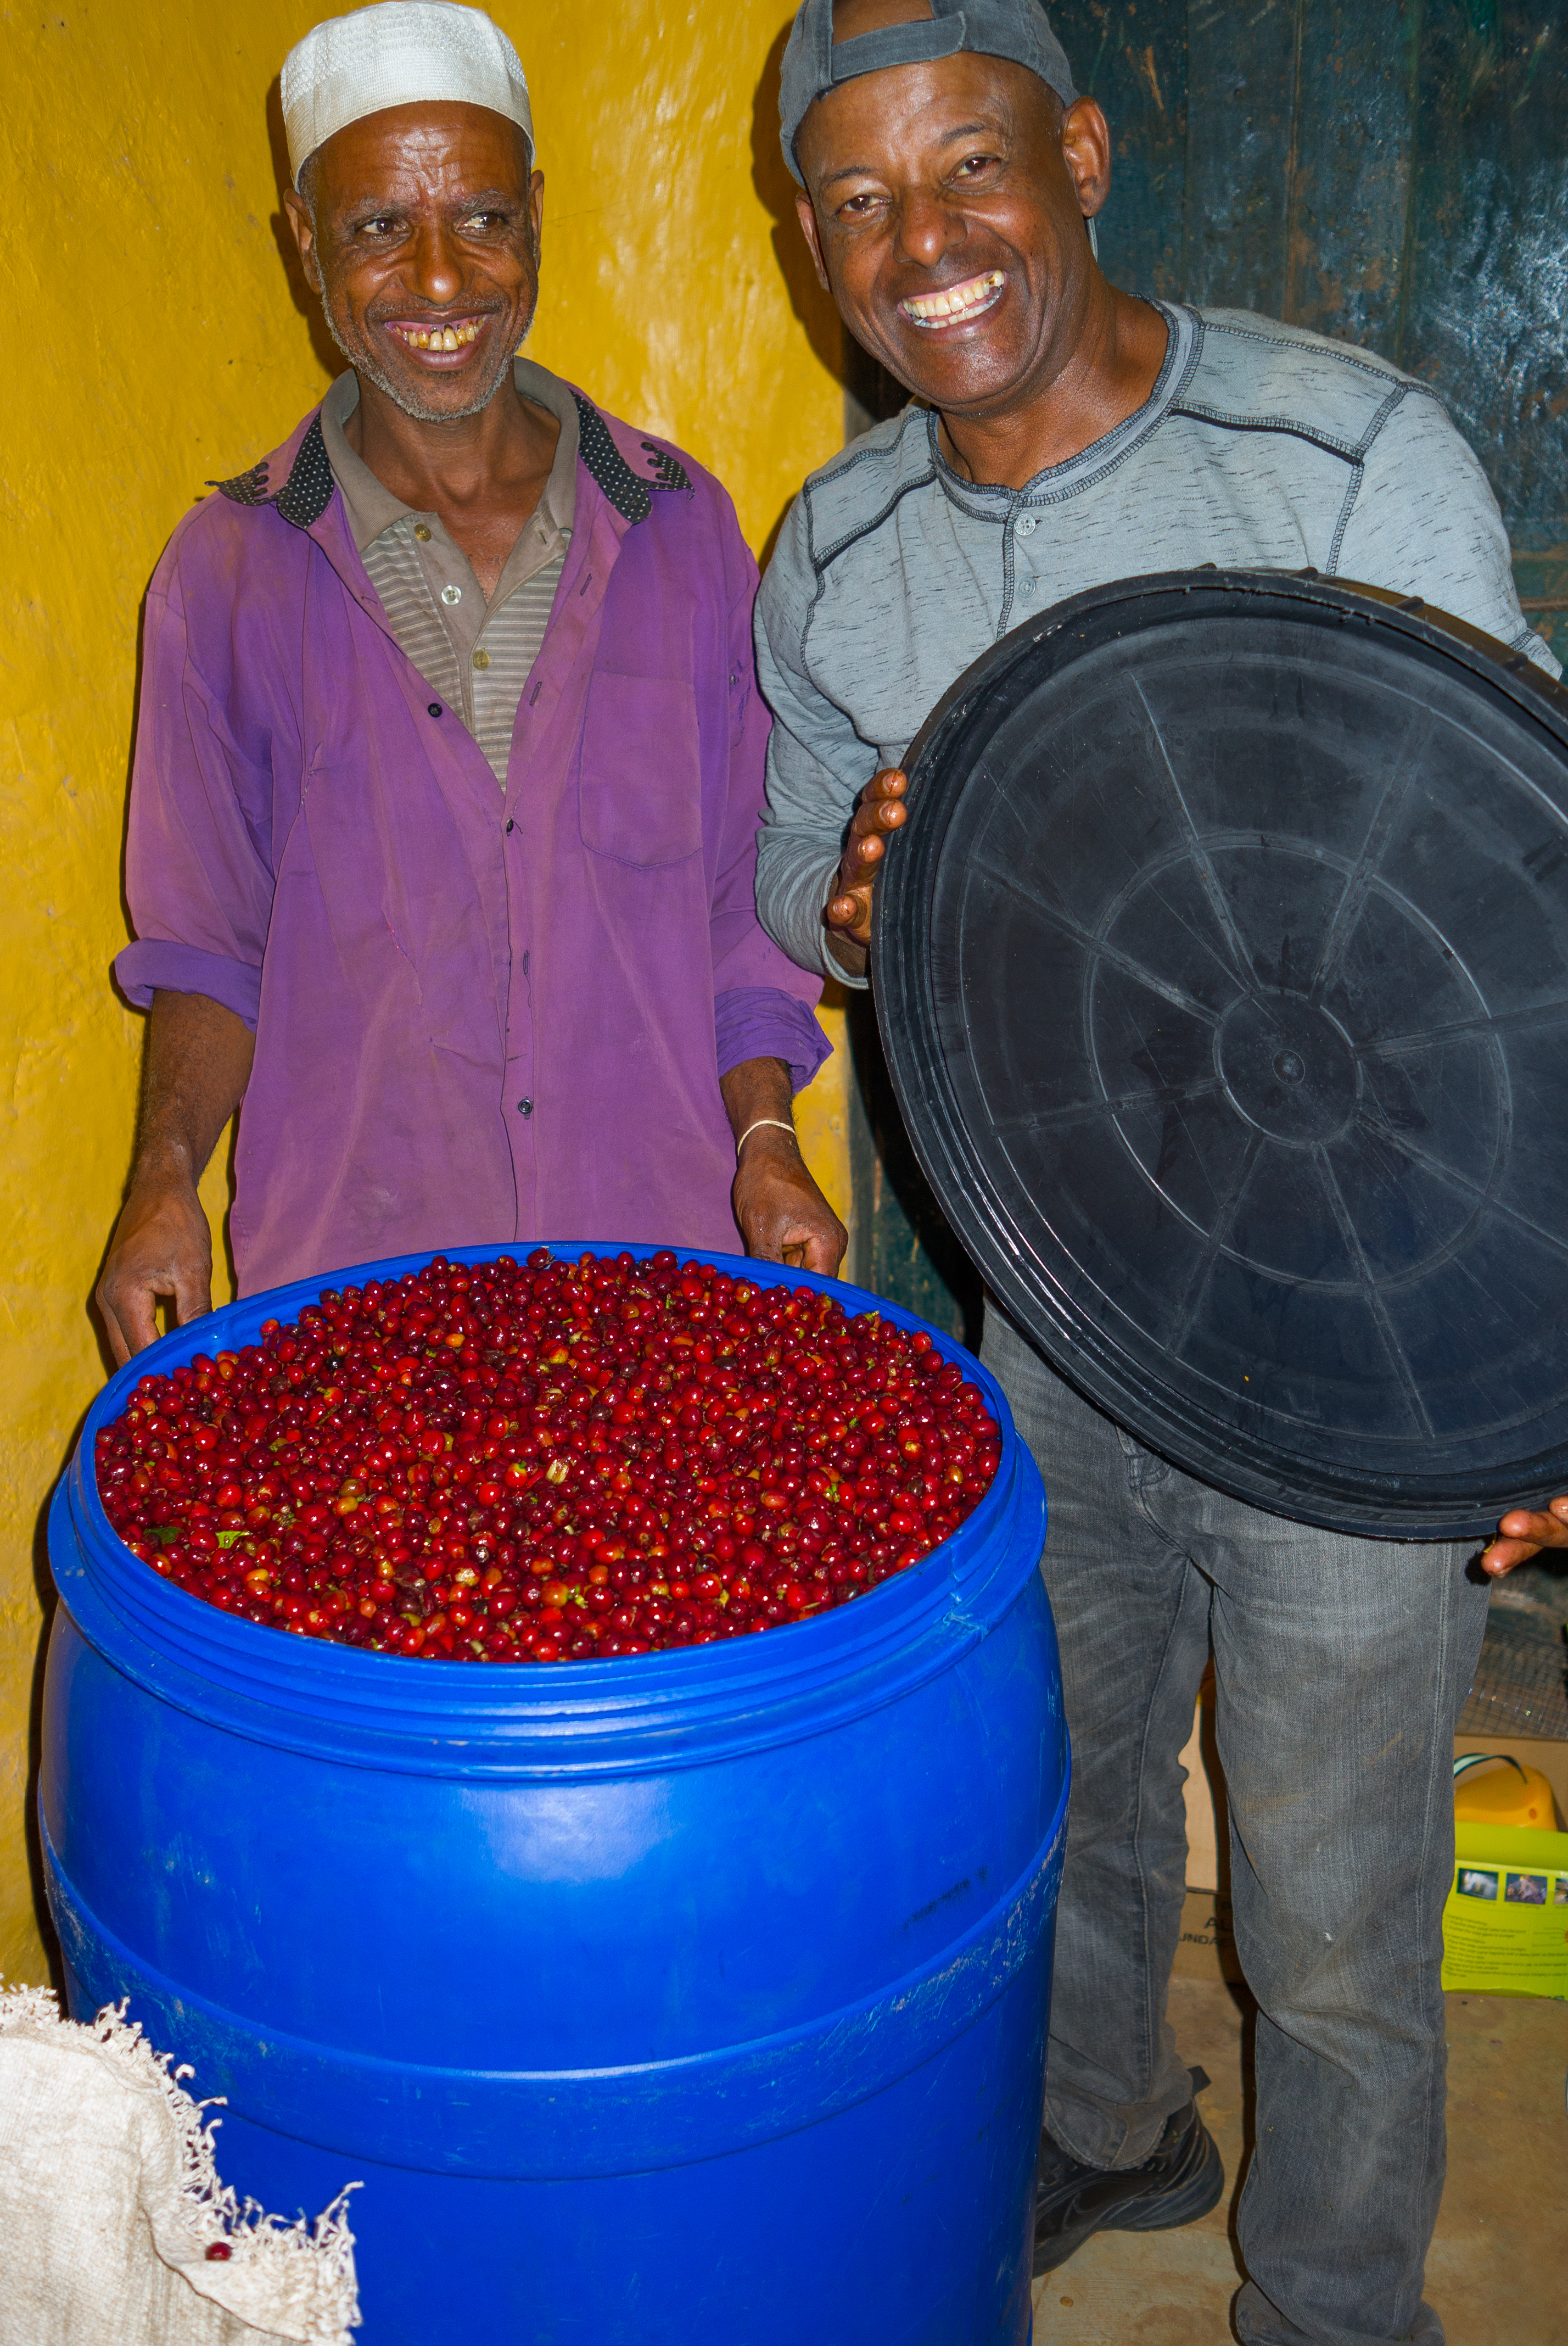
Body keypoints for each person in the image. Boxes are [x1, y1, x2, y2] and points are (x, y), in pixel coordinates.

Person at [754, 3, 1568, 2340]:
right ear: (811, 238)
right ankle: (1110, 2134)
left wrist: (1537, 1356)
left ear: (1083, 152)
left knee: (1328, 1905)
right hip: (1067, 1300)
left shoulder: (1335, 454)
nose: (927, 247)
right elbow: (794, 883)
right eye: (860, 202)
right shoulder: (842, 545)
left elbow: (1513, 929)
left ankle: (1330, 2300)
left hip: (1355, 1337)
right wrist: (851, 905)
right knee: (1072, 1802)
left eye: (971, 168)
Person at [96, 0, 844, 1363]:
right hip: (350, 1304)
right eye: (380, 225)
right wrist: (162, 1187)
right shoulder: (227, 570)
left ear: (538, 219)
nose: (441, 280)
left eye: (484, 219)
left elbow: (743, 909)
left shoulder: (681, 531)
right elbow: (207, 944)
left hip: (658, 1288)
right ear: (303, 240)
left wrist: (769, 1148)